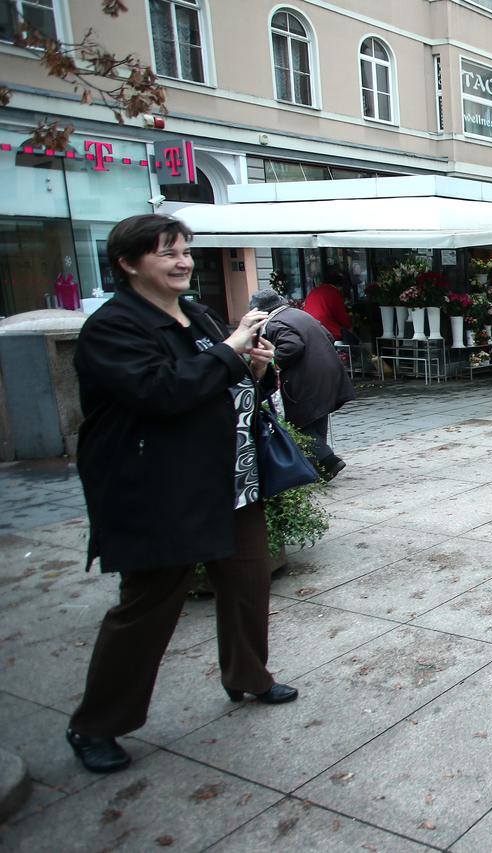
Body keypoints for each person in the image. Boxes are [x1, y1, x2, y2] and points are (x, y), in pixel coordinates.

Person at [66, 214, 298, 775]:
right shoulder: (114, 328)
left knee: (247, 582)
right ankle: (96, 723)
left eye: (185, 250)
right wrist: (228, 354)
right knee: (148, 606)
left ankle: (249, 677)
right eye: (167, 252)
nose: (182, 261)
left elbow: (225, 381)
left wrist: (257, 368)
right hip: (158, 491)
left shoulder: (195, 314)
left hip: (229, 477)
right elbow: (160, 393)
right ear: (128, 263)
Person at [248, 289, 357, 480]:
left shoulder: (275, 323)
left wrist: (269, 361)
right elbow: (328, 336)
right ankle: (317, 468)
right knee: (316, 416)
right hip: (328, 374)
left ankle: (328, 460)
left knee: (298, 423)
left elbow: (292, 346)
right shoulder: (298, 314)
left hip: (307, 380)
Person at [303, 276, 355, 343]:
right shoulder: (334, 291)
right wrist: (350, 328)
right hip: (326, 330)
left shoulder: (313, 291)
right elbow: (342, 316)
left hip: (309, 329)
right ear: (340, 286)